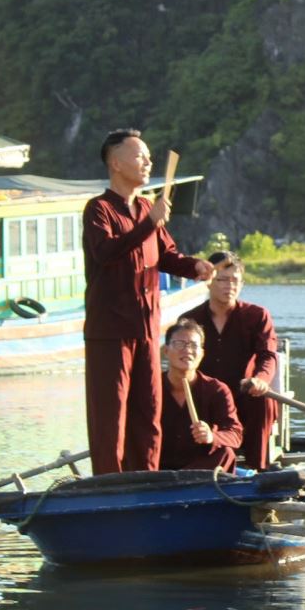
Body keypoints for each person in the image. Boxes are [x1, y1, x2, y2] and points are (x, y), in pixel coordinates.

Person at [83, 128, 212, 474]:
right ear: (115, 162)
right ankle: (110, 484)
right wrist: (149, 224)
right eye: (139, 155)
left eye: (148, 156)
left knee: (149, 411)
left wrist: (195, 266)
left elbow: (166, 255)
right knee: (111, 416)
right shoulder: (99, 209)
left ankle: (146, 479)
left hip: (146, 328)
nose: (148, 162)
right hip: (110, 330)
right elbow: (106, 252)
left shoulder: (144, 206)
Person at [186, 252, 280, 469]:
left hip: (244, 393)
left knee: (263, 398)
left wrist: (261, 379)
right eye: (222, 280)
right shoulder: (191, 320)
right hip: (207, 398)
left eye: (235, 280)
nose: (229, 286)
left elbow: (267, 355)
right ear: (208, 282)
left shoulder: (257, 316)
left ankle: (259, 469)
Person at [158, 318, 243, 472]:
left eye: (193, 345)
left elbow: (235, 433)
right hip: (157, 464)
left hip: (199, 467)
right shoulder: (152, 388)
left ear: (202, 354)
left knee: (226, 454)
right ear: (166, 351)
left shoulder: (216, 390)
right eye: (179, 344)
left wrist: (212, 436)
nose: (187, 350)